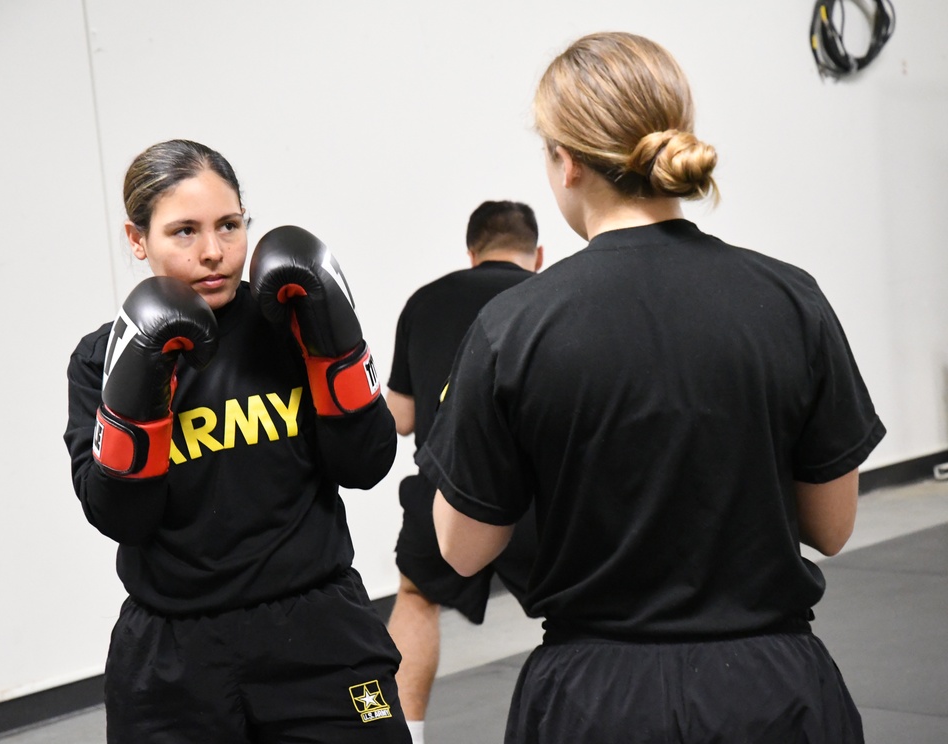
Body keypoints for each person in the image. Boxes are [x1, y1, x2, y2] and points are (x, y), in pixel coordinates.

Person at [417, 32, 885, 744]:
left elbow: (462, 551)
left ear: (565, 161)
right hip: (773, 692)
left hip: (595, 701)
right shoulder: (792, 300)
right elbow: (833, 527)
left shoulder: (513, 327)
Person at [64, 139, 411, 743]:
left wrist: (334, 349)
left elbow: (368, 462)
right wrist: (140, 398)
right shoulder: (104, 358)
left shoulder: (293, 318)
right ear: (137, 238)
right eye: (184, 232)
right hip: (176, 655)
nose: (213, 253)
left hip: (319, 632)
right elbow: (122, 516)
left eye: (229, 225)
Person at [384, 201, 543, 743]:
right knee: (579, 610)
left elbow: (401, 418)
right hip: (541, 492)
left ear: (471, 254)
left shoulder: (424, 301)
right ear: (537, 254)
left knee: (415, 598)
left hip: (445, 487)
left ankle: (407, 735)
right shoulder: (548, 296)